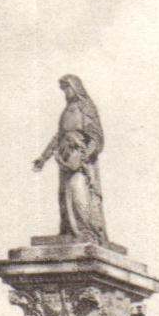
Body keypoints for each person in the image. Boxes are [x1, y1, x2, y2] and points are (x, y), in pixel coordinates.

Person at [33, 74, 108, 243]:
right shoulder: (66, 112)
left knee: (78, 192)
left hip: (80, 160)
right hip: (65, 157)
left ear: (76, 88)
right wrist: (43, 158)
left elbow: (96, 137)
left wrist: (85, 155)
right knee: (64, 195)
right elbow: (58, 137)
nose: (66, 92)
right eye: (64, 89)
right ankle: (70, 231)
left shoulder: (87, 108)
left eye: (67, 88)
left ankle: (87, 230)